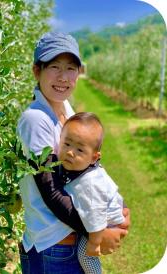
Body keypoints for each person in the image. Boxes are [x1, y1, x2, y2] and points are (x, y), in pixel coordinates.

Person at [17, 32, 130, 274]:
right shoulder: (36, 119)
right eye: (54, 67)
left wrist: (116, 207)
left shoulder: (65, 108)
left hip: (67, 240)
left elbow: (87, 168)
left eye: (71, 68)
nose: (63, 77)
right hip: (52, 245)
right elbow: (50, 190)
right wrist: (98, 231)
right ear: (37, 71)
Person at [34, 112, 126, 274]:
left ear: (94, 158)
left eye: (79, 150)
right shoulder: (77, 168)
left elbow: (96, 212)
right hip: (98, 215)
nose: (70, 152)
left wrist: (94, 242)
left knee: (86, 255)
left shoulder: (88, 183)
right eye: (67, 144)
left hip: (105, 221)